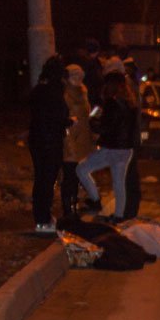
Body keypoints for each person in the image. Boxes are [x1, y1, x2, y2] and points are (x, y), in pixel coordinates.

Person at [77, 67, 139, 224]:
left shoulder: (111, 103)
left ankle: (95, 199)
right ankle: (118, 216)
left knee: (82, 168)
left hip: (111, 148)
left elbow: (104, 127)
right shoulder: (131, 103)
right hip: (126, 149)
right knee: (119, 183)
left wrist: (92, 121)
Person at [27, 57, 70, 233]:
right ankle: (43, 220)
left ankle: (41, 216)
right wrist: (68, 122)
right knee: (47, 180)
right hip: (50, 141)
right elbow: (57, 118)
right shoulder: (55, 92)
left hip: (37, 140)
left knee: (40, 180)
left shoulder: (38, 90)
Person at [62, 63, 94, 222]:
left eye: (80, 76)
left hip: (83, 137)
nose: (78, 79)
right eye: (74, 76)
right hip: (69, 137)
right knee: (70, 174)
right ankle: (68, 208)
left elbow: (86, 113)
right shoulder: (64, 93)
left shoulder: (83, 91)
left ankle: (74, 204)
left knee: (79, 173)